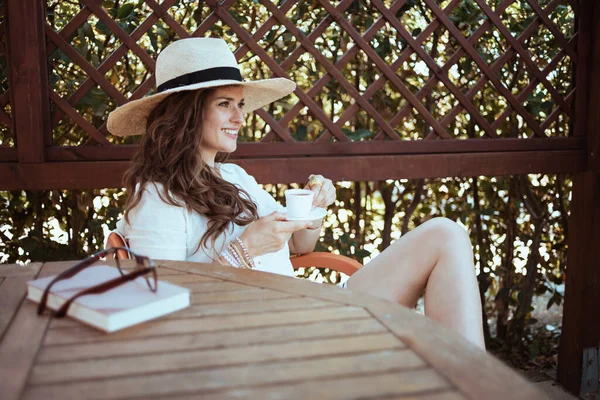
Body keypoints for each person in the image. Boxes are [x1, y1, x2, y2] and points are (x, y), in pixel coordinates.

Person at [108, 38, 485, 350]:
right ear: (186, 113)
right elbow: (163, 308)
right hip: (269, 341)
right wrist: (243, 250)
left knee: (445, 233)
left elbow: (299, 246)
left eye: (240, 105)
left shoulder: (233, 176)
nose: (240, 117)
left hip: (307, 310)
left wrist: (314, 208)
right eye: (225, 104)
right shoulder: (158, 197)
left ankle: (475, 382)